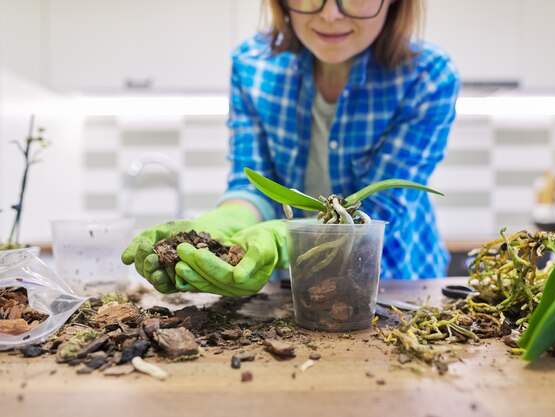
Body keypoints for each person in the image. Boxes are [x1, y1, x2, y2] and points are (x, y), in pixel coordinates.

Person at [122, 0, 460, 295]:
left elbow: (383, 211)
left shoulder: (428, 77)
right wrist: (219, 226)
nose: (329, 14)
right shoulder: (252, 66)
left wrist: (287, 239)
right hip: (291, 290)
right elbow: (251, 185)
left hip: (396, 286)